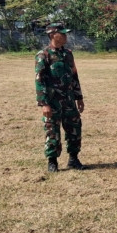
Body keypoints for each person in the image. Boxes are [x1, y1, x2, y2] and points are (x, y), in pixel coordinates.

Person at [35, 22, 85, 172]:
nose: (65, 36)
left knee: (74, 128)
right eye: (61, 33)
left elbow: (74, 76)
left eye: (65, 33)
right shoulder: (43, 55)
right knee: (52, 131)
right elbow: (39, 80)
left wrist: (79, 97)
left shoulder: (68, 54)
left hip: (69, 100)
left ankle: (73, 159)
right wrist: (44, 103)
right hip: (53, 101)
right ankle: (52, 162)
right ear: (52, 35)